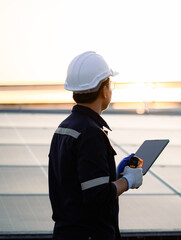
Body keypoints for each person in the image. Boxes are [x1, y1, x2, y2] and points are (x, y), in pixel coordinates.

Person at [48, 51, 143, 240]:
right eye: (110, 84)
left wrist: (112, 175)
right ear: (103, 90)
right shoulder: (91, 133)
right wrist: (128, 181)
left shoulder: (64, 128)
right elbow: (96, 196)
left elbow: (75, 184)